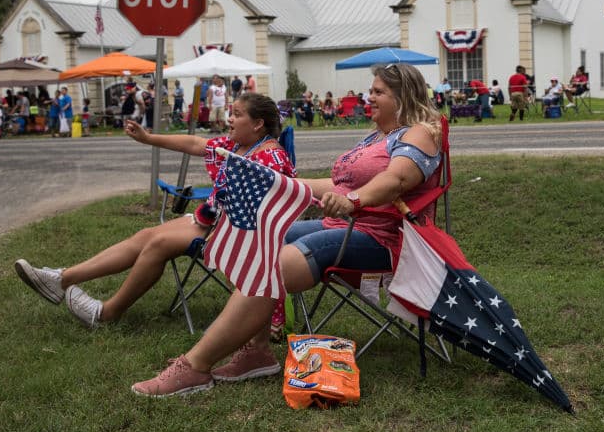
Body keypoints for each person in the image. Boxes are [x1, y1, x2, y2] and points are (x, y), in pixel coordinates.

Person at [152, 63, 444, 396]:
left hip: (384, 238)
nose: (369, 97)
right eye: (371, 90)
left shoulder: (418, 132)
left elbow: (398, 179)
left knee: (274, 265)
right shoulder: (377, 137)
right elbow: (337, 182)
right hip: (343, 225)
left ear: (403, 95)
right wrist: (282, 183)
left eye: (379, 92)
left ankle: (193, 367)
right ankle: (257, 352)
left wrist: (353, 201)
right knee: (255, 241)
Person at [13, 93, 295, 341]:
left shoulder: (270, 159)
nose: (229, 119)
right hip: (216, 221)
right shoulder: (237, 146)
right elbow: (196, 143)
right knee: (146, 235)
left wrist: (214, 219)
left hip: (242, 238)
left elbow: (270, 214)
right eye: (231, 113)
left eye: (237, 114)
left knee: (157, 245)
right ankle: (61, 279)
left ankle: (106, 313)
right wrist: (148, 139)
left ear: (258, 124)